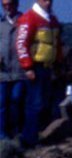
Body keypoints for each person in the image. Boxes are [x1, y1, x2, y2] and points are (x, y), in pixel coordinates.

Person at [12, 0, 59, 147]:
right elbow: (21, 44)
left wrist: (56, 65)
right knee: (34, 104)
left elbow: (56, 43)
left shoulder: (52, 19)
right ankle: (29, 139)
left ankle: (37, 135)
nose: (48, 2)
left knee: (44, 104)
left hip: (47, 67)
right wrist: (28, 67)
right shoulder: (29, 18)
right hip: (36, 67)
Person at [1, 1, 21, 141]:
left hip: (20, 71)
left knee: (16, 100)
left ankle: (16, 131)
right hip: (2, 72)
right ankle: (2, 136)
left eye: (10, 4)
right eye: (4, 5)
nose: (8, 7)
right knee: (1, 104)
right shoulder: (0, 23)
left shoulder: (24, 21)